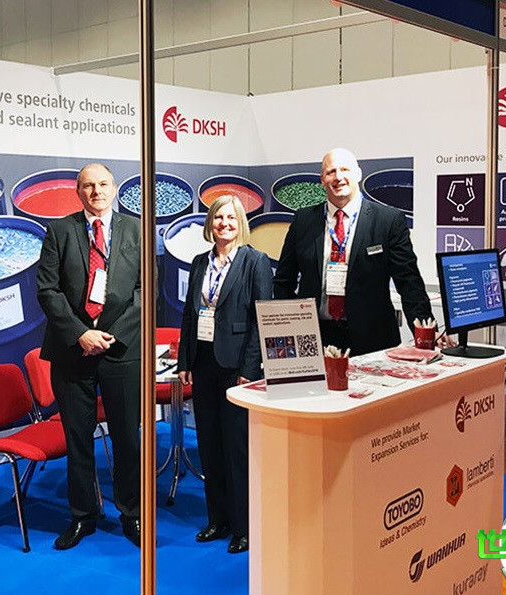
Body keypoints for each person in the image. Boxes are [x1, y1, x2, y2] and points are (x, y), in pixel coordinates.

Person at [36, 163, 142, 550]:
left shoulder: (137, 230)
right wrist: (81, 333)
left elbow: (144, 291)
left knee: (127, 438)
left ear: (114, 189)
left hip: (121, 349)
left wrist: (110, 336)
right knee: (78, 440)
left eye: (103, 184)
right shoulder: (59, 231)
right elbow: (47, 290)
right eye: (88, 185)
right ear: (78, 192)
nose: (96, 191)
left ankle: (132, 513)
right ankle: (83, 516)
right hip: (72, 351)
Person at [177, 195, 273, 554]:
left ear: (240, 223)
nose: (224, 223)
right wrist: (185, 360)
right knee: (209, 443)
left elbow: (261, 318)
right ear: (210, 223)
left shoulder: (255, 261)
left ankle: (244, 526)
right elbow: (190, 315)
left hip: (237, 367)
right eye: (218, 217)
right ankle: (216, 519)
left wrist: (250, 368)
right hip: (203, 363)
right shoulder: (199, 262)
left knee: (236, 447)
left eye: (231, 217)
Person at [274, 147, 438, 355]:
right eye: (331, 172)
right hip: (315, 338)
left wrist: (425, 330)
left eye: (345, 169)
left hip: (372, 339)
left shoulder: (388, 220)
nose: (338, 177)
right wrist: (290, 329)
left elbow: (408, 280)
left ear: (358, 174)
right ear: (322, 180)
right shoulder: (303, 220)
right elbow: (284, 280)